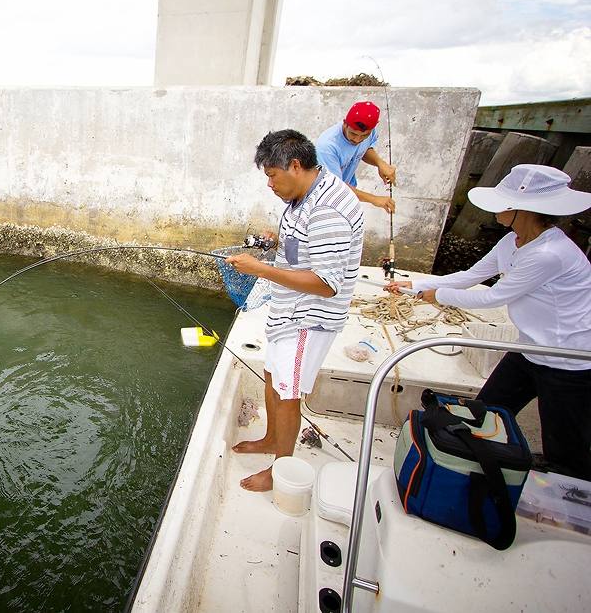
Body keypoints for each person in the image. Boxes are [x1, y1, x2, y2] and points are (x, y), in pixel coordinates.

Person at [386, 164, 591, 480]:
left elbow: (491, 298)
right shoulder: (512, 241)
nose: (496, 210)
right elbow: (471, 277)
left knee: (565, 447)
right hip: (528, 348)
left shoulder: (550, 253)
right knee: (485, 410)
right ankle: (474, 465)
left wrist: (436, 295)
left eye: (504, 204)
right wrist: (414, 286)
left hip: (567, 359)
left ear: (523, 210)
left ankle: (565, 497)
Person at [226, 129, 364, 492]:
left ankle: (280, 470)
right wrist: (276, 243)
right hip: (290, 312)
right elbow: (304, 247)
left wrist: (262, 270)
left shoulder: (328, 208)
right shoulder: (306, 194)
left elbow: (327, 282)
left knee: (287, 394)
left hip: (309, 319)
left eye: (272, 175)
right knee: (273, 378)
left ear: (296, 165)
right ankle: (273, 439)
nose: (269, 184)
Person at [316, 101, 397, 214]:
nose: (357, 140)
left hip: (347, 195)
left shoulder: (370, 131)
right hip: (325, 200)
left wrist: (380, 163)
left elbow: (364, 150)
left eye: (364, 136)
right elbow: (335, 187)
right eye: (353, 134)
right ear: (345, 124)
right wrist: (373, 199)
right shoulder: (327, 147)